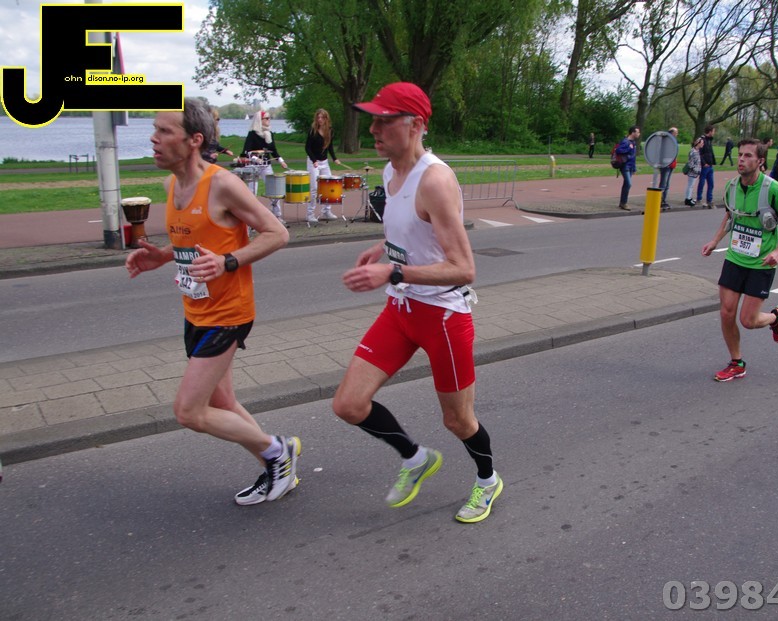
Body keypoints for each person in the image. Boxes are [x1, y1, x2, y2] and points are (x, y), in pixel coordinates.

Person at [331, 82, 503, 524]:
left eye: (384, 121)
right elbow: (412, 232)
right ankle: (415, 458)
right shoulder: (391, 171)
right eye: (373, 120)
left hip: (443, 316)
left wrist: (392, 272)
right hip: (401, 309)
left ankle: (487, 480)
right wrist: (383, 248)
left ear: (415, 125)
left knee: (458, 421)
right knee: (349, 404)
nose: (373, 129)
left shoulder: (435, 180)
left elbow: (463, 268)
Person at [126, 98, 298, 506]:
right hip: (196, 310)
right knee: (222, 402)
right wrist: (163, 255)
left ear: (194, 140)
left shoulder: (222, 184)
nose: (153, 139)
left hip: (229, 313)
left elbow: (277, 233)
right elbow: (196, 239)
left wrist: (228, 262)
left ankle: (278, 451)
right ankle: (278, 467)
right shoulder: (172, 185)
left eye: (164, 131)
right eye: (154, 130)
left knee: (189, 411)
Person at [701, 138, 778, 382]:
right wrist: (715, 241)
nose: (741, 159)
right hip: (735, 257)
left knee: (748, 320)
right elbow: (730, 216)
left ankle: (776, 317)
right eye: (740, 155)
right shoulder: (732, 187)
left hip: (761, 263)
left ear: (760, 161)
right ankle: (736, 363)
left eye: (748, 156)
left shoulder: (773, 189)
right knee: (726, 313)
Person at [305, 108, 343, 223]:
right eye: (318, 117)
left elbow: (329, 147)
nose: (320, 119)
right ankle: (310, 214)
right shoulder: (313, 131)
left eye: (322, 117)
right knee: (314, 188)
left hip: (324, 162)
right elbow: (307, 148)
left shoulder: (330, 131)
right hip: (313, 162)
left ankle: (326, 211)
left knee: (329, 185)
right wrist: (314, 160)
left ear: (326, 119)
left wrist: (334, 158)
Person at [615, 126, 640, 211]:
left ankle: (622, 202)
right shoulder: (625, 141)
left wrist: (634, 168)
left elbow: (633, 157)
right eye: (637, 132)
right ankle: (624, 203)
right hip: (625, 165)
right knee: (628, 184)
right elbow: (618, 150)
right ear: (633, 133)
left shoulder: (633, 142)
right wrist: (629, 148)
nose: (639, 134)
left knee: (626, 184)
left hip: (630, 166)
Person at [696, 125, 716, 209]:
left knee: (711, 183)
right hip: (705, 166)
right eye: (713, 131)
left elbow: (710, 152)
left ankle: (709, 199)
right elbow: (699, 153)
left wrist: (713, 161)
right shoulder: (702, 140)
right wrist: (704, 163)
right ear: (710, 131)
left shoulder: (709, 141)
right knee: (702, 182)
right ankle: (699, 198)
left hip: (710, 165)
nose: (714, 133)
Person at [659, 126, 678, 210]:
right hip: (666, 165)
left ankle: (664, 200)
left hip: (671, 165)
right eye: (676, 133)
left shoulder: (674, 141)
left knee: (667, 184)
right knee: (663, 183)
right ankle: (660, 200)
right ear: (672, 133)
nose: (677, 134)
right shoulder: (667, 141)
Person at [684, 136, 703, 206]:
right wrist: (696, 170)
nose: (702, 144)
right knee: (690, 185)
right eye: (702, 143)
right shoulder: (693, 152)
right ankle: (687, 199)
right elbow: (691, 164)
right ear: (698, 143)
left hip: (695, 172)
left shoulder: (697, 151)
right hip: (692, 172)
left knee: (691, 185)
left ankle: (689, 197)